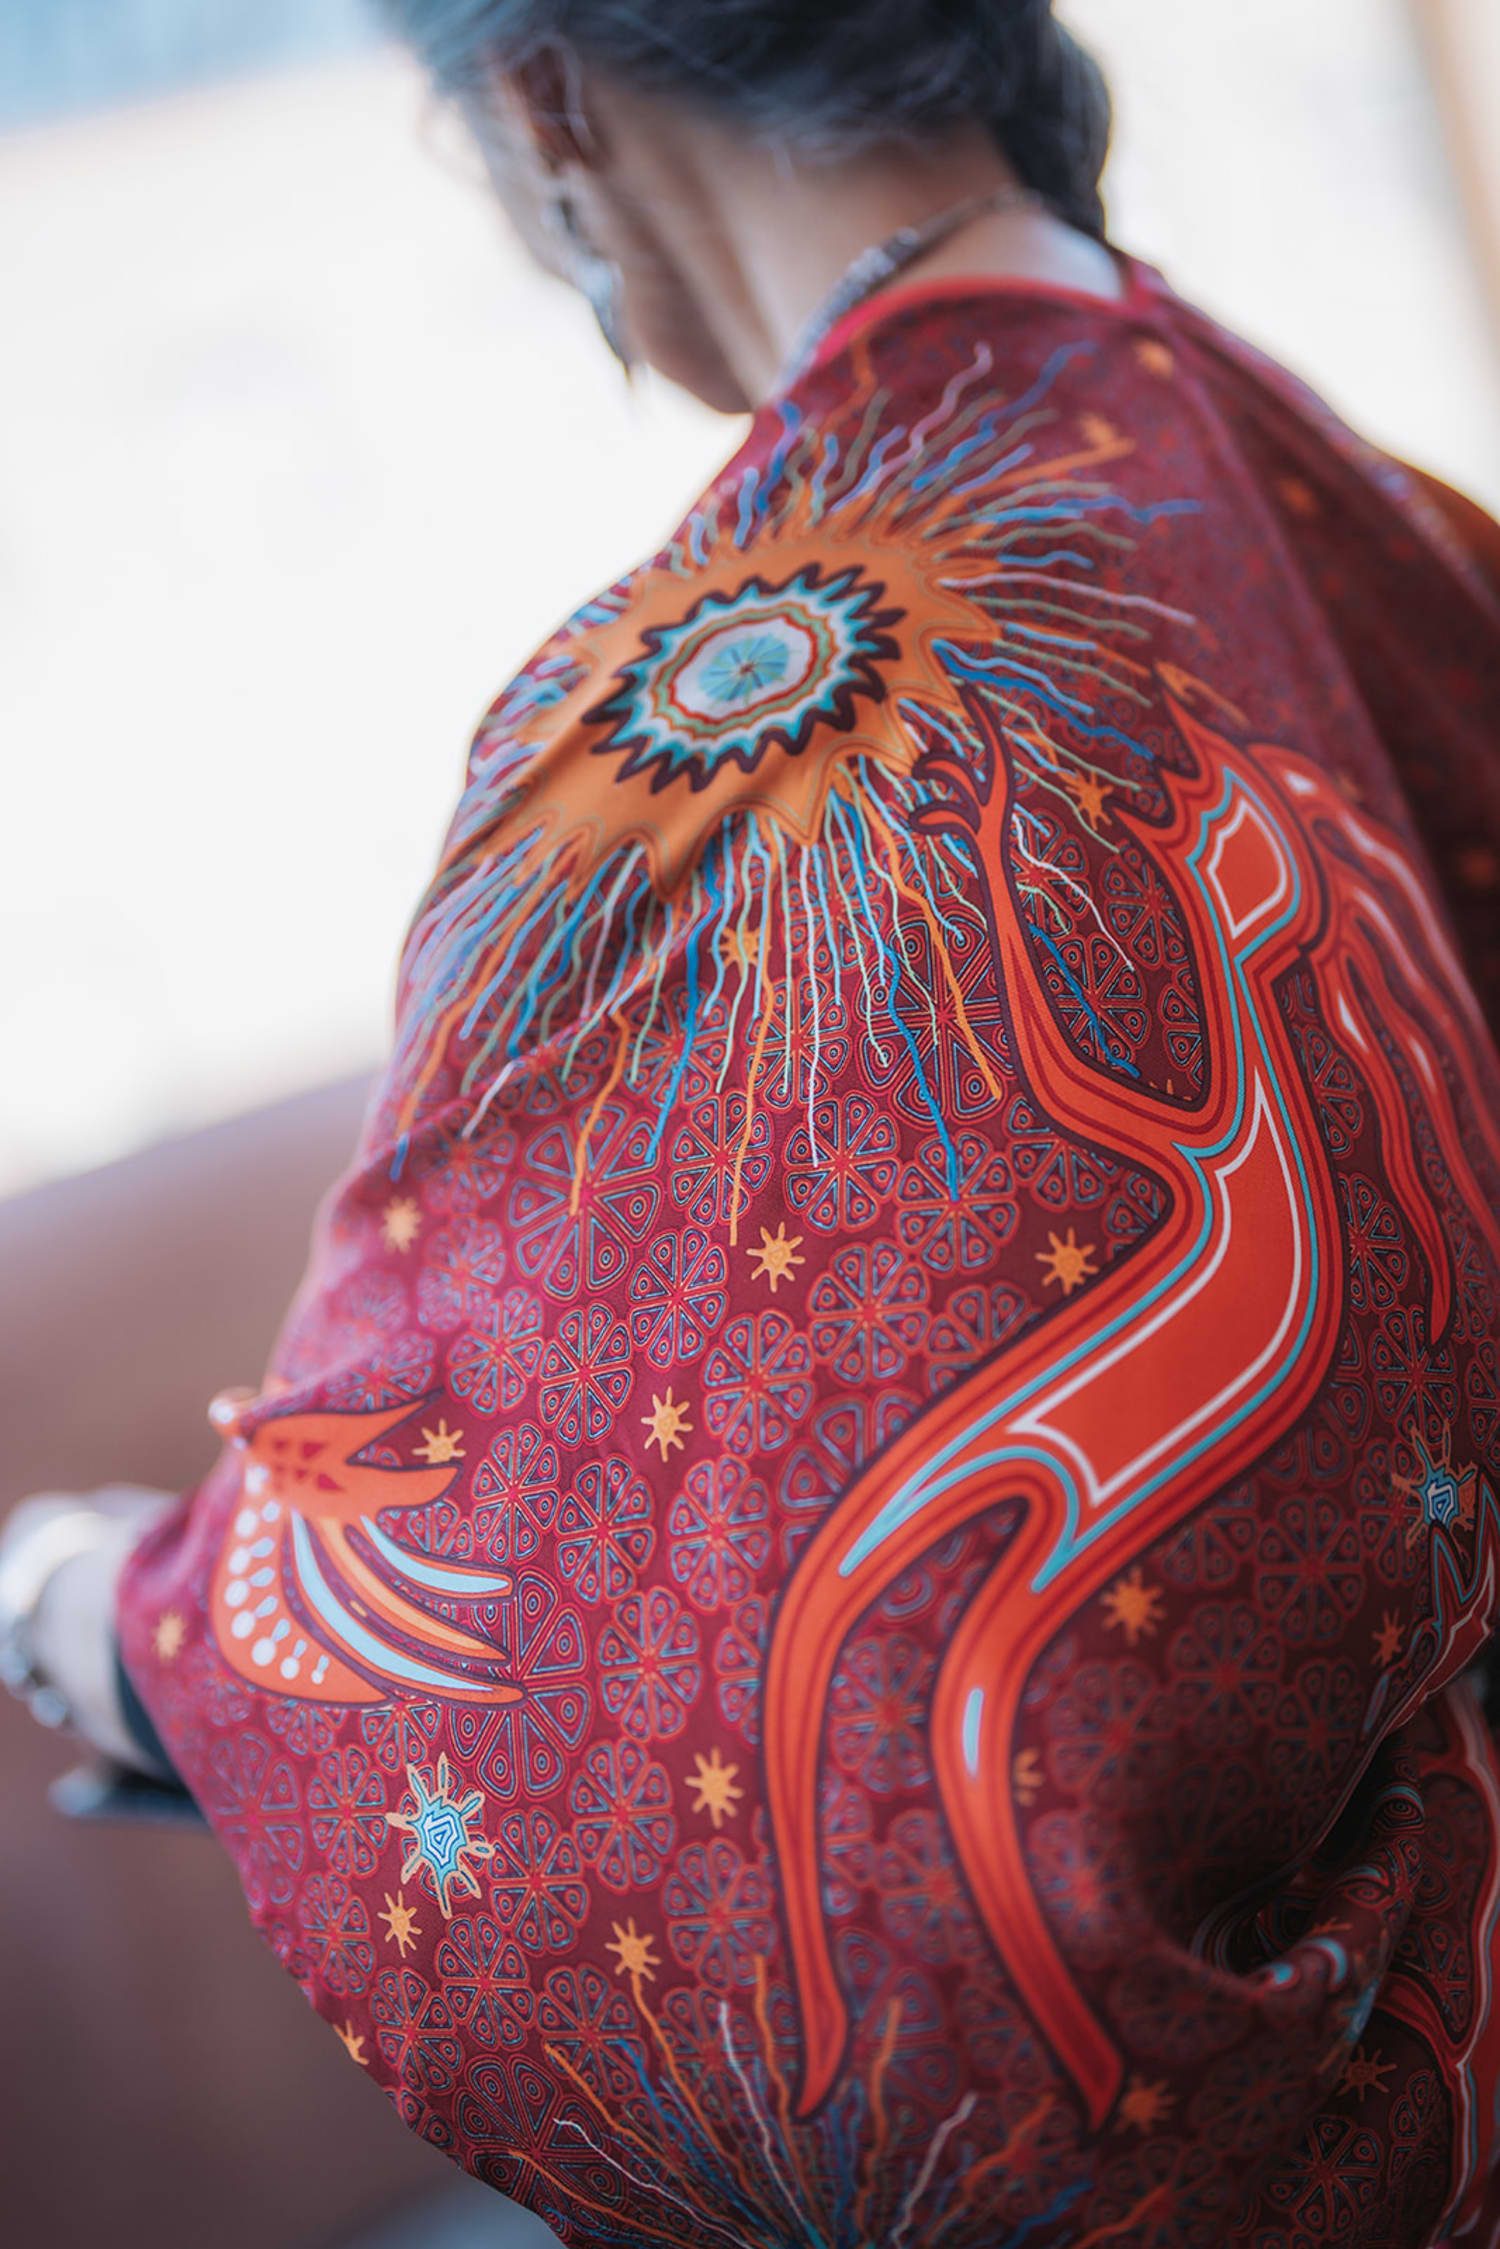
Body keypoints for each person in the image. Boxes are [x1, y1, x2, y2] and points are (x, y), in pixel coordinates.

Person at [5, 3, 1500, 2242]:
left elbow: (532, 1664)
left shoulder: (750, 692)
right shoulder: (1347, 497)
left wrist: (104, 1620)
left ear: (547, 111)